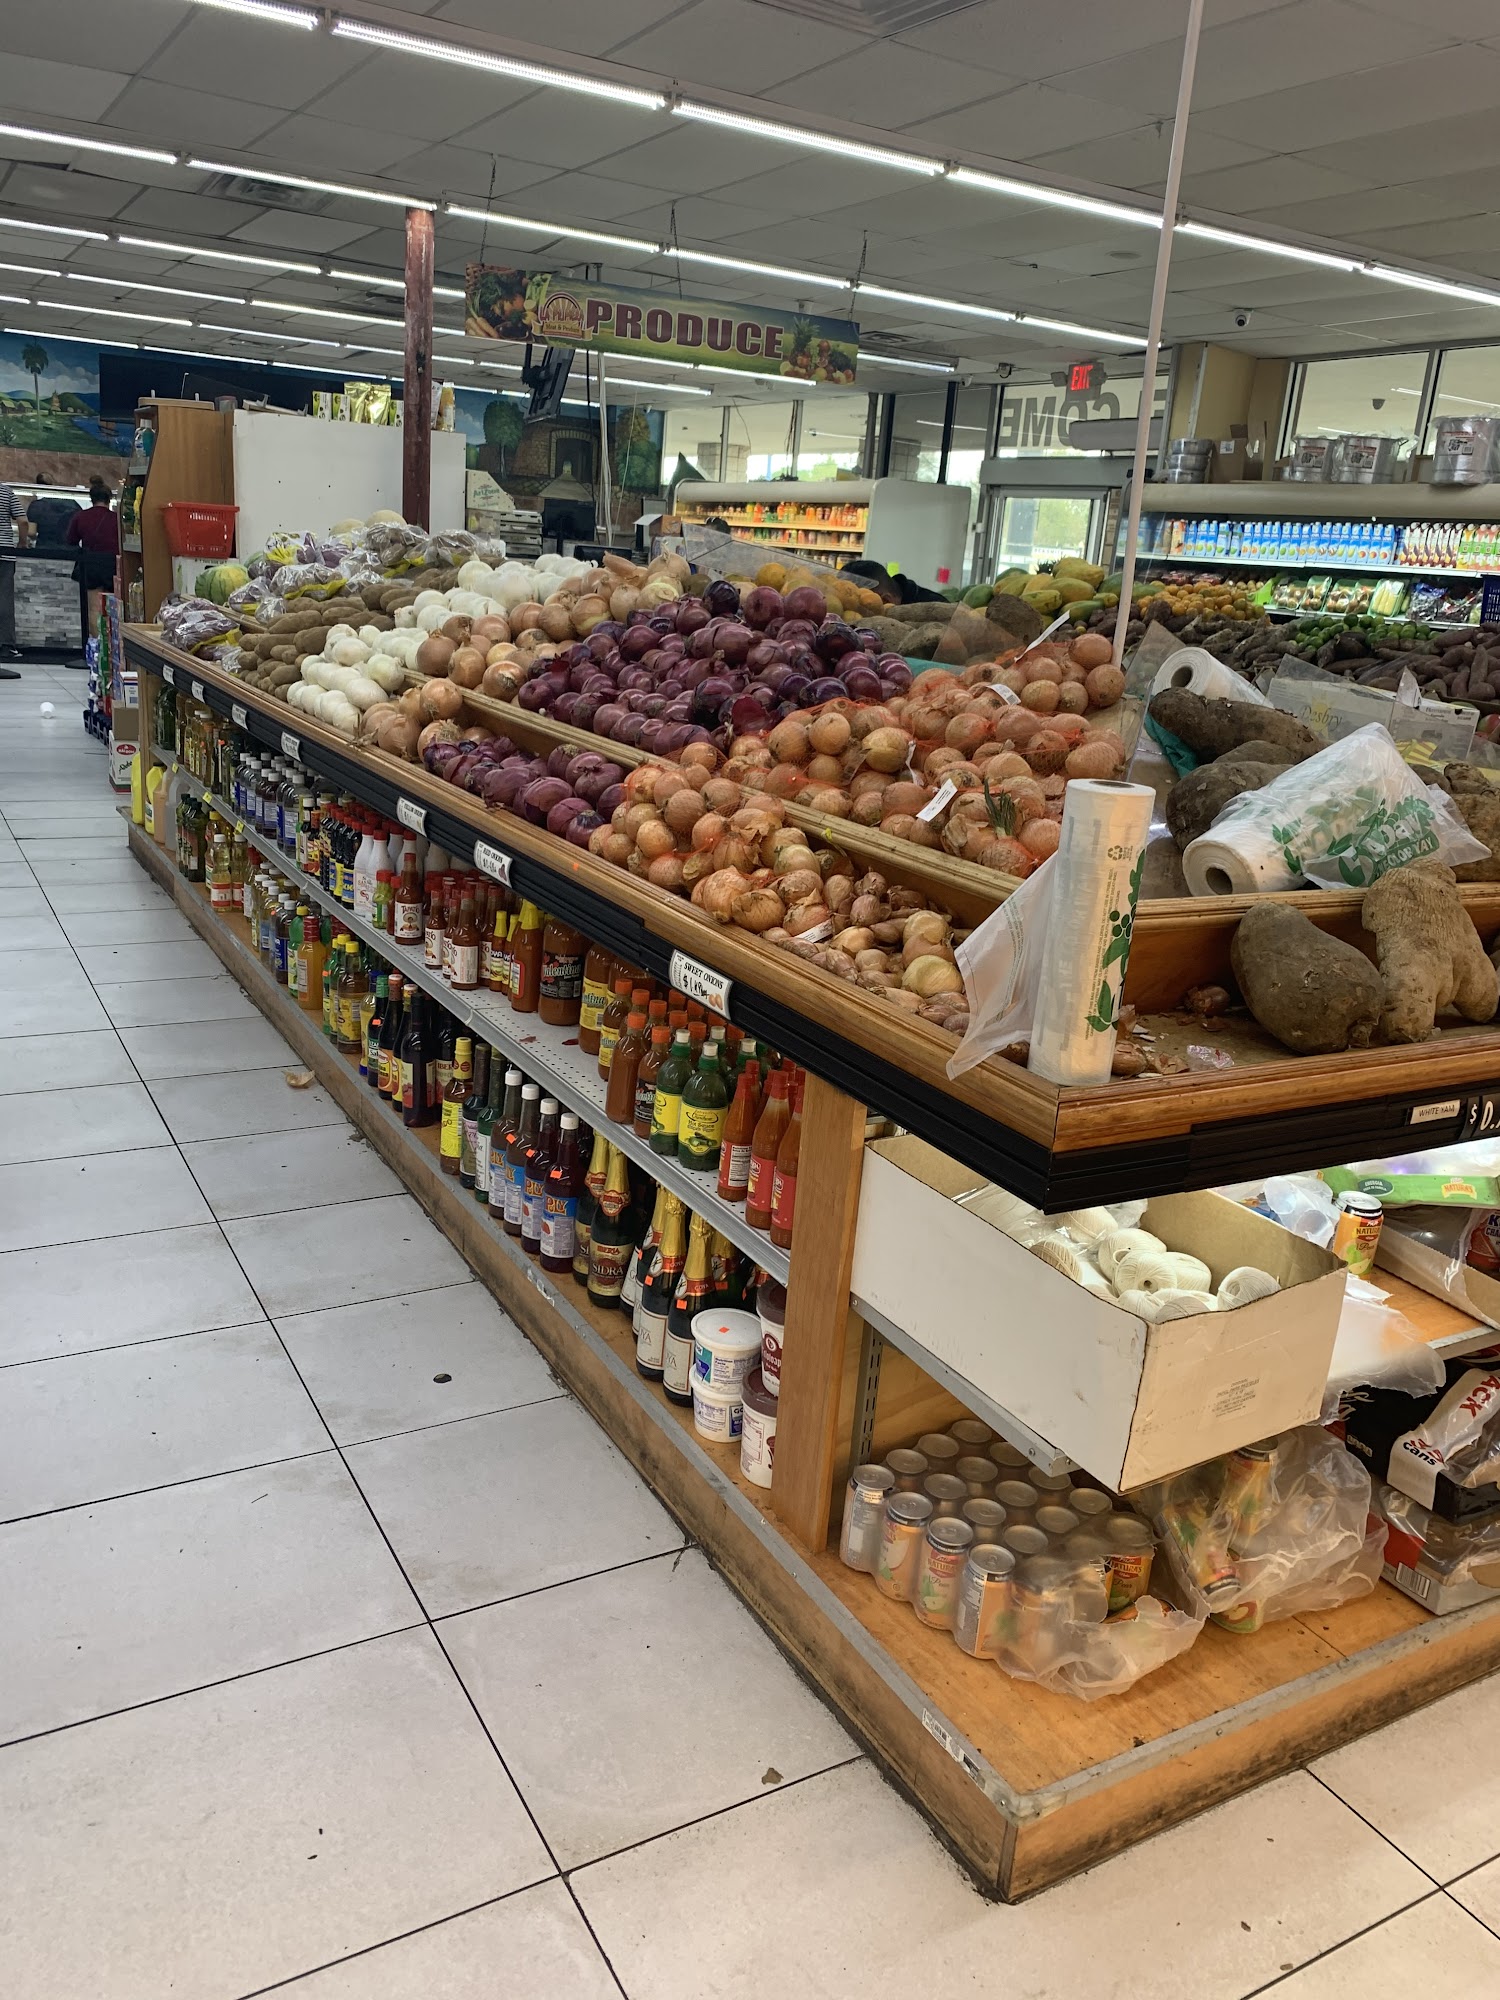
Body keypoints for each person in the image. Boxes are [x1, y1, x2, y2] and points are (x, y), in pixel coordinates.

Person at [66, 479, 120, 634]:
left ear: (91, 499)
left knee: (93, 608)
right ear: (109, 499)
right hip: (112, 564)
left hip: (90, 564)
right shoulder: (116, 518)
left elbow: (71, 540)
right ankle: (113, 642)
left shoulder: (81, 516)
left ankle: (97, 643)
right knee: (113, 608)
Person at [0, 477, 32, 667]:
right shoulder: (6, 492)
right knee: (4, 599)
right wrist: (22, 543)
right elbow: (23, 521)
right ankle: (6, 646)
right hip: (4, 552)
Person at [26, 475, 80, 547]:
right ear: (54, 483)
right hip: (70, 548)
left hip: (45, 548)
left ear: (37, 487)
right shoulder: (72, 503)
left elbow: (31, 532)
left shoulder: (36, 505)